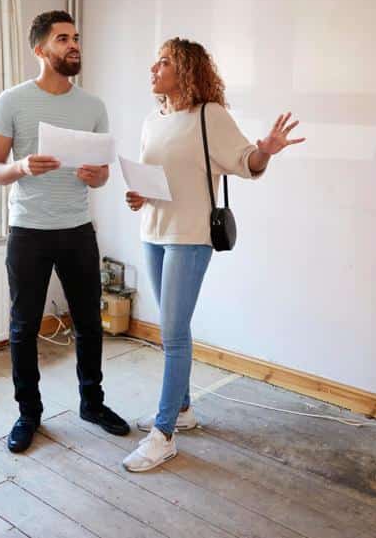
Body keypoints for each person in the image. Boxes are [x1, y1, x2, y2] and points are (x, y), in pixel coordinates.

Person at [122, 37, 304, 472]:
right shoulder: (152, 120)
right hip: (153, 231)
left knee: (174, 332)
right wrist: (138, 196)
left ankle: (163, 433)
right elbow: (159, 178)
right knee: (172, 330)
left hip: (190, 236)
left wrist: (266, 149)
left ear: (185, 70)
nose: (153, 68)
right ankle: (183, 410)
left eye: (163, 62)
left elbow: (246, 162)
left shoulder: (210, 116)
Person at [0, 10, 130, 453]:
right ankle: (29, 414)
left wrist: (95, 177)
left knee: (89, 323)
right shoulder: (11, 101)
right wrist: (22, 166)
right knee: (23, 327)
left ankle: (93, 403)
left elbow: (103, 174)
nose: (74, 45)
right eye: (63, 38)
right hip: (28, 231)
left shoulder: (93, 106)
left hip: (77, 229)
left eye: (76, 38)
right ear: (40, 50)